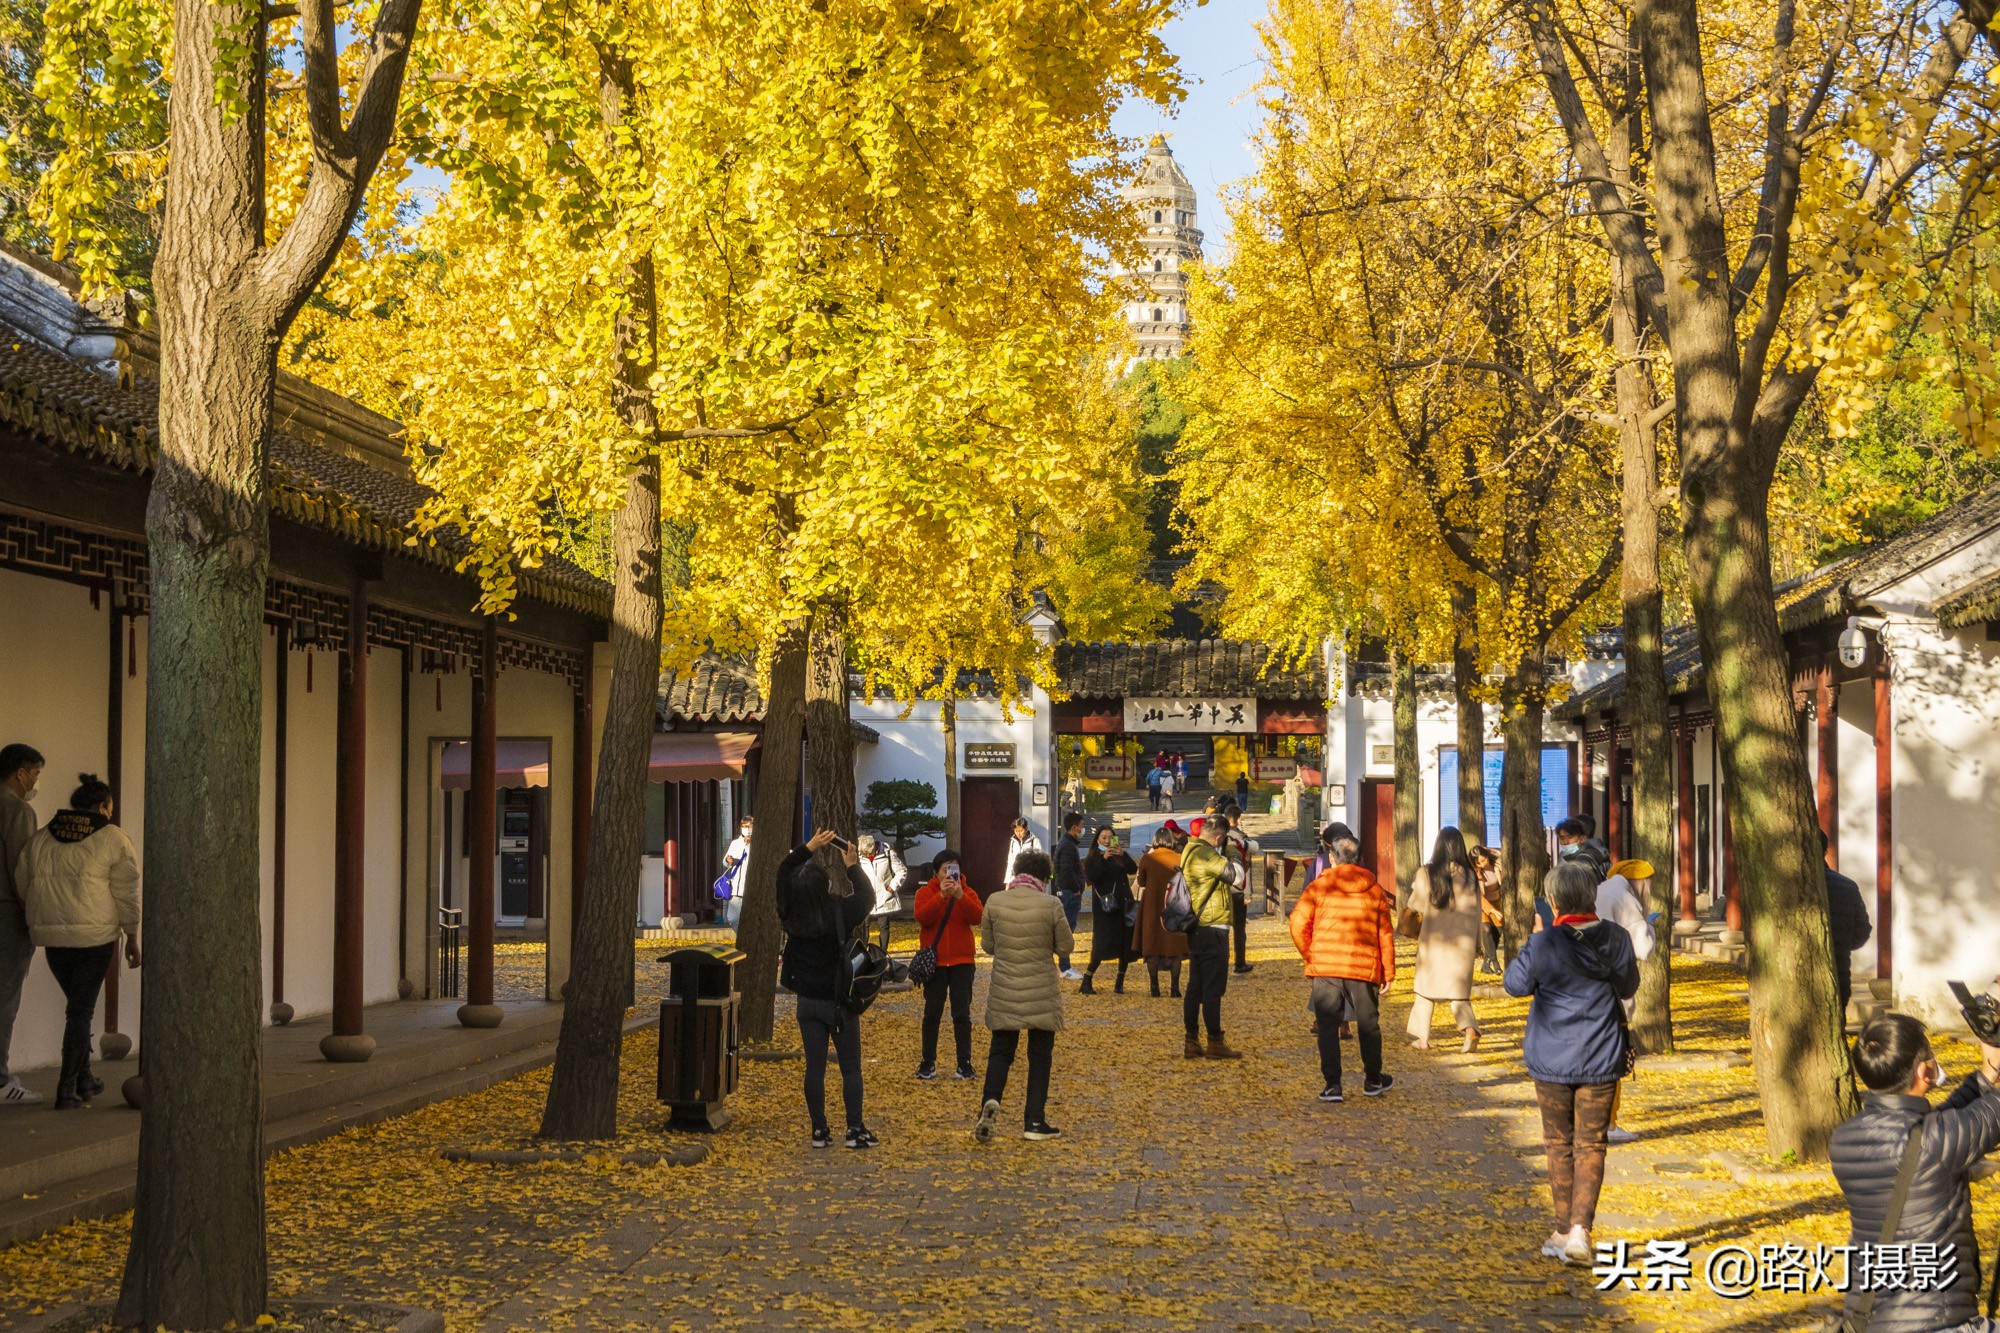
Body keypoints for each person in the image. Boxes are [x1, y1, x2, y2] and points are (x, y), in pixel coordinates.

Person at [1829, 1011, 2000, 1333]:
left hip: (1870, 1319)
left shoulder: (1843, 1139)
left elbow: (1934, 1129)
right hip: (1938, 1321)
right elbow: (1969, 1123)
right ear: (1923, 1071)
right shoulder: (1936, 1141)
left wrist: (1988, 1073)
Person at [1505, 860, 1640, 1264]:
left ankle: (1562, 1229)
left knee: (1557, 1143)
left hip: (1551, 1056)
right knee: (1592, 1143)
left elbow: (1514, 984)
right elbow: (1628, 985)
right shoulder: (1616, 937)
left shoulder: (1544, 942)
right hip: (1601, 1053)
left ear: (1553, 901)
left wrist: (1532, 942)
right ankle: (1581, 1229)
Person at [15, 773, 140, 1110]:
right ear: (103, 806)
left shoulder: (42, 838)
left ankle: (84, 1078)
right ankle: (66, 1088)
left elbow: (23, 884)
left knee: (78, 1008)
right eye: (110, 807)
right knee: (80, 1010)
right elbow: (126, 892)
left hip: (53, 939)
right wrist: (132, 935)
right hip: (95, 938)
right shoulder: (113, 838)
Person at [776, 829, 878, 1149]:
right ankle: (855, 1129)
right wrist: (852, 866)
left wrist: (807, 848)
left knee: (815, 1068)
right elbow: (867, 896)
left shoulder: (790, 912)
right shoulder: (840, 911)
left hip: (807, 1001)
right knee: (850, 1067)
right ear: (825, 886)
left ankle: (819, 1130)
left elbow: (783, 872)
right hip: (838, 1002)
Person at [974, 849, 1072, 1142]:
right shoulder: (1051, 904)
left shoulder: (995, 901)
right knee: (1040, 1056)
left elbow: (988, 946)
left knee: (1000, 1052)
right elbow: (1065, 947)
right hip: (1041, 991)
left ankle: (990, 1101)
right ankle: (1034, 1121)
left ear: (1016, 872)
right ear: (1044, 877)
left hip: (1005, 989)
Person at [1289, 836, 1395, 1102]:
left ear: (1332, 858)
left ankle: (1333, 1085)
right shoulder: (1374, 890)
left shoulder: (1319, 886)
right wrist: (1388, 971)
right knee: (1369, 1025)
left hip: (1326, 965)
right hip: (1363, 965)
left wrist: (1310, 953)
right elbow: (1385, 933)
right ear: (1358, 858)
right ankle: (1373, 1079)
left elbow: (1297, 923)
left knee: (1327, 1026)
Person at [1405, 827, 1484, 1054]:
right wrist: (1478, 943)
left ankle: (1423, 1040)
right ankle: (1469, 1029)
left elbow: (1415, 905)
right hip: (1462, 944)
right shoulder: (1470, 876)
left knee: (1424, 992)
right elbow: (1477, 912)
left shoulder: (1427, 872)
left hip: (1433, 942)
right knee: (1458, 993)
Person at [912, 849, 984, 1080]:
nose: (950, 874)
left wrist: (960, 896)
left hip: (963, 961)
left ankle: (964, 1063)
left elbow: (978, 918)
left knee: (962, 1014)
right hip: (936, 963)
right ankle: (927, 1062)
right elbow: (923, 918)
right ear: (936, 873)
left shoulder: (968, 892)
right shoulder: (925, 892)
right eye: (945, 870)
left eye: (954, 869)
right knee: (932, 1013)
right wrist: (941, 896)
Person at [0, 743, 45, 1105]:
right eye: (35, 774)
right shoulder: (17, 810)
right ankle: (1, 1082)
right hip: (7, 915)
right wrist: (34, 916)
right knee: (5, 998)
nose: (35, 782)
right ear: (20, 774)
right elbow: (22, 869)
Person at [1179, 815, 1244, 1059]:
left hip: (1197, 926)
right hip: (1213, 925)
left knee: (1195, 986)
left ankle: (1191, 1039)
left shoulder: (1189, 849)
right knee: (1213, 988)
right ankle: (1215, 1041)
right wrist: (1233, 852)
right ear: (1219, 837)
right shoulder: (1206, 854)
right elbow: (1237, 878)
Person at [1080, 827, 1139, 995]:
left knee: (1125, 942)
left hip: (1123, 904)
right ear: (1097, 839)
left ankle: (1120, 982)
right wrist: (1104, 859)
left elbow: (1132, 869)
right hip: (1105, 907)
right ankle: (1087, 979)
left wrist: (1123, 854)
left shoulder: (1118, 855)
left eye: (1110, 837)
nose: (1107, 841)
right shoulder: (1092, 857)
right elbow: (1094, 876)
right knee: (1102, 943)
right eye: (1103, 837)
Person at [1820, 831, 1873, 1018]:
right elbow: (1863, 931)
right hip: (1839, 973)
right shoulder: (1847, 886)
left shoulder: (1787, 887)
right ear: (1825, 851)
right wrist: (1841, 946)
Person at [1133, 826, 1188, 998]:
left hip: (1152, 905)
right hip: (1174, 905)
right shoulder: (1179, 858)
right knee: (1174, 947)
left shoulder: (1148, 859)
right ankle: (1174, 988)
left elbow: (1141, 882)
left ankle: (1154, 987)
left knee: (1153, 946)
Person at [1220, 803, 1257, 975]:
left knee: (1221, 927)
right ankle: (1239, 962)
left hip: (1220, 888)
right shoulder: (1242, 840)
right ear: (1239, 818)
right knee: (1239, 928)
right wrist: (1247, 891)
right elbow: (1246, 867)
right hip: (1238, 889)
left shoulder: (1218, 837)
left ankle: (1221, 962)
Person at [855, 834, 906, 951]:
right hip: (865, 897)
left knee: (884, 926)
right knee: (863, 927)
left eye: (867, 853)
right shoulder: (859, 856)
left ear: (873, 848)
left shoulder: (887, 852)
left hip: (884, 896)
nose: (865, 855)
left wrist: (893, 886)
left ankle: (883, 953)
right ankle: (863, 953)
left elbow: (901, 871)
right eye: (862, 853)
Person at [1052, 812, 1086, 980]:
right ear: (1074, 827)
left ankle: (1063, 965)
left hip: (1067, 891)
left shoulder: (1067, 843)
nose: (1083, 829)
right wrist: (1076, 888)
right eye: (1082, 826)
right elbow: (1066, 870)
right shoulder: (1067, 845)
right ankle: (1065, 967)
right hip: (1068, 893)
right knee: (1066, 930)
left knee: (1064, 929)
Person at [1470, 844, 1504, 975]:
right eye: (1480, 862)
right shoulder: (1475, 873)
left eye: (1484, 860)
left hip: (1497, 902)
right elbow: (1479, 896)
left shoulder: (1496, 865)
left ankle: (1486, 964)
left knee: (1498, 931)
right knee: (1486, 929)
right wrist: (1492, 910)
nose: (1483, 863)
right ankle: (1495, 963)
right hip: (1482, 904)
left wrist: (1489, 850)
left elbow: (1500, 854)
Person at [720, 816, 754, 930]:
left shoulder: (759, 843)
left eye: (748, 826)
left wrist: (748, 845)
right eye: (743, 826)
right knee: (732, 918)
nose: (746, 829)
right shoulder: (735, 843)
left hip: (752, 887)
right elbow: (725, 861)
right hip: (736, 888)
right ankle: (742, 937)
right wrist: (728, 860)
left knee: (750, 918)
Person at [1556, 817, 1610, 881]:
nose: (1565, 842)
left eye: (1570, 837)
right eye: (1562, 838)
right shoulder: (1564, 855)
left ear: (1582, 839)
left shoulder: (1587, 858)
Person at [1003, 818, 1043, 884]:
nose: (1018, 833)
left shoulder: (1034, 841)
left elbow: (1038, 862)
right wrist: (1007, 881)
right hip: (1015, 878)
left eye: (1021, 830)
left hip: (1029, 878)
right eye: (1016, 831)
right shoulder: (1013, 842)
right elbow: (1010, 862)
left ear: (1026, 829)